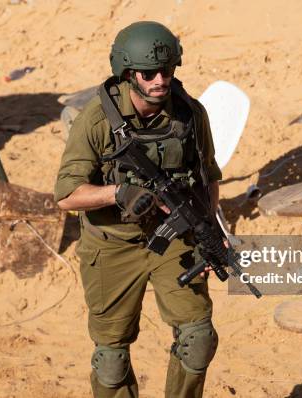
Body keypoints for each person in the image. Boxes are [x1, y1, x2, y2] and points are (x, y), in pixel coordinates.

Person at [54, 21, 222, 398]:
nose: (160, 80)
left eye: (167, 70)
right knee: (111, 360)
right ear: (128, 73)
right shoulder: (96, 120)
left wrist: (209, 232)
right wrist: (118, 193)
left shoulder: (191, 114)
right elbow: (66, 195)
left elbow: (208, 176)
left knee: (198, 339)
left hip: (175, 239)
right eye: (149, 73)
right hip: (112, 245)